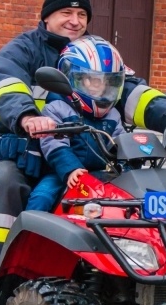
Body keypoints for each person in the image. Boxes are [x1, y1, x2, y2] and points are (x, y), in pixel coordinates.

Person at [0, 0, 166, 293]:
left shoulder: (96, 53)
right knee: (7, 183)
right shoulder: (22, 51)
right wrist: (28, 116)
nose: (75, 21)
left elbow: (132, 92)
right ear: (47, 16)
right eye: (66, 14)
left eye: (82, 15)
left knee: (125, 193)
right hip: (14, 147)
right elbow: (5, 84)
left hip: (77, 148)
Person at [25, 35, 126, 212]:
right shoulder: (56, 109)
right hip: (63, 173)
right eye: (89, 79)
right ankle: (28, 232)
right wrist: (71, 169)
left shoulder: (113, 114)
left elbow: (121, 142)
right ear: (72, 78)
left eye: (104, 81)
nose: (97, 86)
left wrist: (130, 162)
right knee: (42, 196)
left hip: (100, 174)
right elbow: (54, 144)